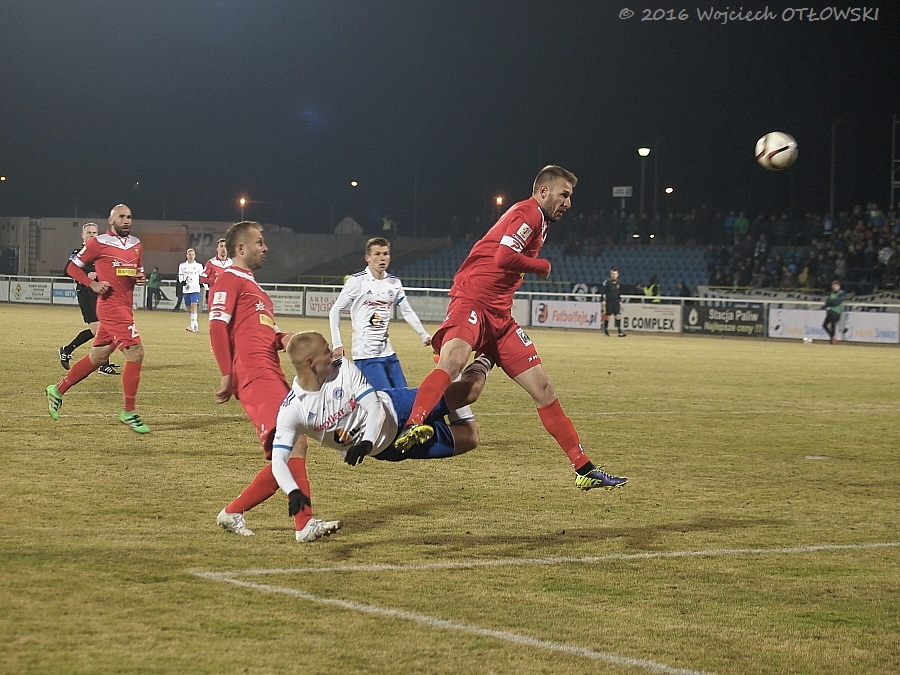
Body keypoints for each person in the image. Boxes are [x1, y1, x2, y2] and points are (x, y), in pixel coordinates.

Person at [393, 165, 627, 491]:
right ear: (543, 191)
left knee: (543, 390)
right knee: (454, 360)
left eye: (570, 196)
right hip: (473, 301)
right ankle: (413, 423)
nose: (568, 203)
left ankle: (583, 468)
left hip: (501, 318)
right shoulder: (529, 213)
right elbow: (504, 257)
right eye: (564, 195)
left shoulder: (540, 220)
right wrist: (540, 265)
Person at [270, 331, 490, 542]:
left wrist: (367, 442)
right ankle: (451, 375)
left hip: (397, 407)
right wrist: (293, 491)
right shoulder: (292, 410)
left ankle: (486, 356)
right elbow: (278, 460)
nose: (333, 354)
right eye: (326, 351)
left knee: (470, 393)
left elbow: (374, 406)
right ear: (310, 362)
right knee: (470, 437)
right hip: (390, 448)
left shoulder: (342, 367)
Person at [210, 220, 305, 538]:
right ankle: (304, 523)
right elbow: (217, 325)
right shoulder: (229, 278)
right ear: (241, 248)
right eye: (260, 242)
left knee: (291, 447)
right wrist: (227, 372)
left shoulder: (257, 290)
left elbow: (267, 331)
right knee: (292, 443)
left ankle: (233, 512)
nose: (265, 247)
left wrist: (286, 338)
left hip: (272, 372)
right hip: (253, 373)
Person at [46, 204, 150, 433]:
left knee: (98, 357)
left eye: (129, 217)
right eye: (121, 217)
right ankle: (129, 412)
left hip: (125, 307)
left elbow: (136, 271)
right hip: (110, 308)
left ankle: (57, 389)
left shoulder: (136, 244)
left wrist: (140, 277)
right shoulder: (98, 242)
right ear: (111, 220)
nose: (126, 220)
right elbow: (72, 268)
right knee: (136, 352)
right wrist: (91, 284)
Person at [329, 236, 431, 389]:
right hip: (366, 355)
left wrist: (424, 334)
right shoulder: (357, 281)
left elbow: (407, 311)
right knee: (385, 397)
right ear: (367, 258)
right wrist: (337, 344)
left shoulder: (394, 283)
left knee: (403, 393)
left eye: (385, 254)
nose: (382, 258)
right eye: (377, 254)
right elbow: (335, 310)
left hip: (388, 354)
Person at [58, 222, 120, 375]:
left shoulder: (98, 251)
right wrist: (87, 275)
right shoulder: (79, 251)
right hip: (86, 293)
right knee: (98, 330)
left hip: (99, 293)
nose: (92, 235)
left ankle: (67, 350)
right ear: (83, 235)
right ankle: (103, 364)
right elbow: (67, 270)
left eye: (94, 233)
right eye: (89, 233)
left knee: (103, 329)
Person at [199, 238, 232, 312]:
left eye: (225, 246)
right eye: (221, 246)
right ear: (217, 249)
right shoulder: (211, 262)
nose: (223, 248)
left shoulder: (232, 263)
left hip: (228, 296)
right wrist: (213, 281)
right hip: (214, 296)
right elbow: (202, 278)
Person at [178, 248, 205, 332]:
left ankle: (192, 326)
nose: (191, 256)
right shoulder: (182, 265)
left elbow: (203, 277)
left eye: (192, 254)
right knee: (189, 308)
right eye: (189, 254)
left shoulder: (198, 266)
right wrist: (182, 281)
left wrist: (206, 287)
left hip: (195, 289)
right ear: (186, 255)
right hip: (186, 289)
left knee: (194, 305)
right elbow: (180, 276)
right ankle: (195, 323)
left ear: (195, 256)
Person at [601, 268, 626, 337]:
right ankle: (605, 331)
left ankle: (619, 332)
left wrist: (620, 300)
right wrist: (603, 300)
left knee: (618, 315)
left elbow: (619, 292)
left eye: (615, 274)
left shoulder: (618, 282)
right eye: (612, 274)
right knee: (607, 315)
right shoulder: (607, 282)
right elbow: (603, 292)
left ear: (617, 275)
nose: (614, 275)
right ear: (610, 274)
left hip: (616, 301)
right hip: (609, 301)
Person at [822, 279, 844, 345]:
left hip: (836, 312)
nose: (834, 287)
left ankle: (832, 340)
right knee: (824, 325)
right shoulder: (831, 294)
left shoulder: (840, 294)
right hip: (830, 312)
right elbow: (827, 303)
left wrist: (830, 302)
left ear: (839, 287)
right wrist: (830, 303)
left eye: (836, 286)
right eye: (833, 286)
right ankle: (832, 337)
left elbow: (836, 303)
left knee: (832, 325)